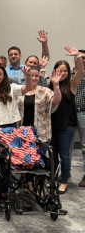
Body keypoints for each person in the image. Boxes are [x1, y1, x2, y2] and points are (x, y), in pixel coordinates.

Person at [49, 45, 84, 194]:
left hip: (67, 126)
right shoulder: (51, 84)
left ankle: (63, 182)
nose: (62, 73)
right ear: (55, 71)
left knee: (65, 155)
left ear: (68, 72)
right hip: (52, 125)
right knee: (53, 155)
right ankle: (52, 179)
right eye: (59, 70)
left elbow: (81, 71)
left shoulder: (72, 84)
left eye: (65, 71)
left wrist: (77, 57)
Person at [17, 67, 62, 143]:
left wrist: (56, 85)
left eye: (36, 76)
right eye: (31, 75)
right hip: (21, 132)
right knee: (23, 155)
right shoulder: (19, 90)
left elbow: (56, 100)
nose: (34, 78)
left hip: (40, 132)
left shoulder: (44, 91)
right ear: (26, 76)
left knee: (40, 154)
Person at [69, 49, 85, 187]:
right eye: (80, 57)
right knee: (66, 146)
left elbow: (81, 72)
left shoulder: (82, 74)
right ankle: (65, 173)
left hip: (83, 113)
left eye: (84, 57)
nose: (82, 59)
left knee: (84, 146)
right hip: (68, 113)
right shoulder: (67, 73)